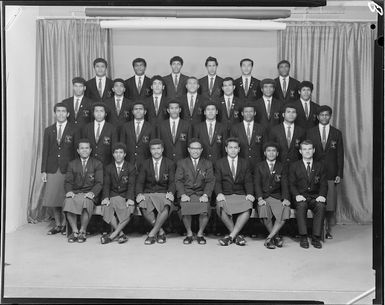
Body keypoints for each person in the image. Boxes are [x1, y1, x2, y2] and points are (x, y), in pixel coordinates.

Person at [306, 105, 344, 239]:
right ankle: (317, 228)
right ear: (317, 117)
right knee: (317, 200)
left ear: (330, 116)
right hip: (314, 172)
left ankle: (328, 229)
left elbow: (340, 154)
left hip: (331, 172)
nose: (324, 117)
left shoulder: (336, 133)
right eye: (321, 115)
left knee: (329, 202)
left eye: (327, 115)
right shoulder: (310, 132)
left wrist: (339, 173)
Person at [41, 103, 77, 235]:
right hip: (52, 169)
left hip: (67, 169)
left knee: (65, 198)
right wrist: (43, 170)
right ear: (55, 113)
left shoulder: (74, 129)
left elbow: (75, 152)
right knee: (54, 199)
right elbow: (45, 151)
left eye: (63, 111)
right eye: (58, 111)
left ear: (68, 114)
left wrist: (75, 170)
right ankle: (58, 224)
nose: (61, 113)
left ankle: (66, 225)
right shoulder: (48, 130)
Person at [215, 138, 255, 246]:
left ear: (239, 149)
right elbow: (217, 181)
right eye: (230, 147)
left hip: (240, 193)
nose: (233, 150)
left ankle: (231, 236)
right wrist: (219, 193)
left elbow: (248, 181)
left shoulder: (245, 163)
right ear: (226, 149)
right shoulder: (219, 163)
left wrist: (250, 193)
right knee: (220, 205)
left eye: (235, 148)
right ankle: (236, 236)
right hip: (226, 194)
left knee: (248, 204)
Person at [136, 139, 176, 245]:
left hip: (163, 192)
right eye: (153, 149)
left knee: (167, 203)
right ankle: (161, 231)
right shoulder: (145, 164)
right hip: (149, 192)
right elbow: (140, 182)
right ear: (150, 150)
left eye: (158, 148)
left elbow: (172, 182)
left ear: (162, 149)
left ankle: (152, 234)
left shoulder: (170, 163)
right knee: (142, 203)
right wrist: (139, 194)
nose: (156, 151)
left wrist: (171, 193)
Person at [175, 139, 215, 244]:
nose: (195, 151)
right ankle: (189, 233)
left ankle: (200, 234)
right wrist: (183, 194)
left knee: (205, 206)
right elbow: (178, 181)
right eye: (193, 148)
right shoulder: (182, 163)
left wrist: (206, 195)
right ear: (189, 150)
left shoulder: (207, 163)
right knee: (185, 205)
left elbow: (210, 181)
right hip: (187, 193)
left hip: (201, 193)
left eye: (198, 149)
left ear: (201, 150)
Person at [289, 140, 328, 249]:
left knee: (321, 206)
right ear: (300, 151)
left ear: (314, 150)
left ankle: (316, 237)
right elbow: (291, 184)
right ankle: (303, 237)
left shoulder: (320, 166)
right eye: (304, 149)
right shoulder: (294, 166)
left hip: (315, 197)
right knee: (301, 206)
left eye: (310, 149)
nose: (307, 151)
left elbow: (324, 184)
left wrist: (322, 195)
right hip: (301, 196)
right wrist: (296, 195)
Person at [63, 138, 103, 243]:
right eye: (82, 148)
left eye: (86, 148)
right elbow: (68, 181)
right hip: (76, 193)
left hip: (90, 193)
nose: (84, 150)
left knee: (86, 202)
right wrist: (69, 191)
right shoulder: (72, 164)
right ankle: (75, 231)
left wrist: (92, 193)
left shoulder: (97, 163)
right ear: (78, 151)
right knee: (68, 201)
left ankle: (83, 231)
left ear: (90, 150)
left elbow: (99, 183)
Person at [254, 142, 291, 249]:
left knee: (285, 209)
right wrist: (260, 198)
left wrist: (285, 198)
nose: (271, 153)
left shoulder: (282, 166)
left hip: (277, 196)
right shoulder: (259, 166)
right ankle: (276, 237)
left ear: (277, 153)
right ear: (265, 153)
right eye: (269, 151)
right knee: (263, 209)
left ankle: (269, 238)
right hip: (264, 197)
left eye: (273, 151)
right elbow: (256, 184)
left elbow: (285, 184)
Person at [100, 143, 137, 244]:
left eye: (121, 152)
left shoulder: (131, 167)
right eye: (116, 152)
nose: (118, 155)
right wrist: (106, 197)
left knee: (130, 208)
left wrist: (130, 198)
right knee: (105, 206)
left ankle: (112, 236)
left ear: (125, 154)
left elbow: (131, 185)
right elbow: (106, 185)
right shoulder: (108, 168)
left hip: (125, 195)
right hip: (112, 194)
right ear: (113, 154)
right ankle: (121, 234)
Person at [120, 101, 156, 170]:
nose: (138, 111)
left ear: (145, 112)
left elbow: (153, 147)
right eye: (136, 109)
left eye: (140, 109)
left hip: (145, 162)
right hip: (128, 161)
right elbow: (122, 145)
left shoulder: (151, 127)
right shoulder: (125, 127)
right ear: (133, 112)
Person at [269, 103, 305, 171]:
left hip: (296, 167)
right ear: (283, 114)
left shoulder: (301, 131)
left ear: (296, 115)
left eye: (293, 112)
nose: (291, 114)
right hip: (278, 166)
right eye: (288, 112)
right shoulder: (274, 130)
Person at [230, 102, 266, 169]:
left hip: (258, 164)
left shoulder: (261, 128)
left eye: (251, 111)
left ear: (254, 113)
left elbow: (264, 147)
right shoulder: (235, 128)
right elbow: (232, 147)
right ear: (242, 113)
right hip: (240, 164)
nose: (248, 114)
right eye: (246, 111)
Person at [81, 102, 117, 166]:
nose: (99, 113)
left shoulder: (112, 129)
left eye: (101, 111)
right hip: (89, 164)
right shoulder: (87, 127)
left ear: (105, 113)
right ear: (93, 113)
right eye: (96, 111)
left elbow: (114, 149)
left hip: (106, 164)